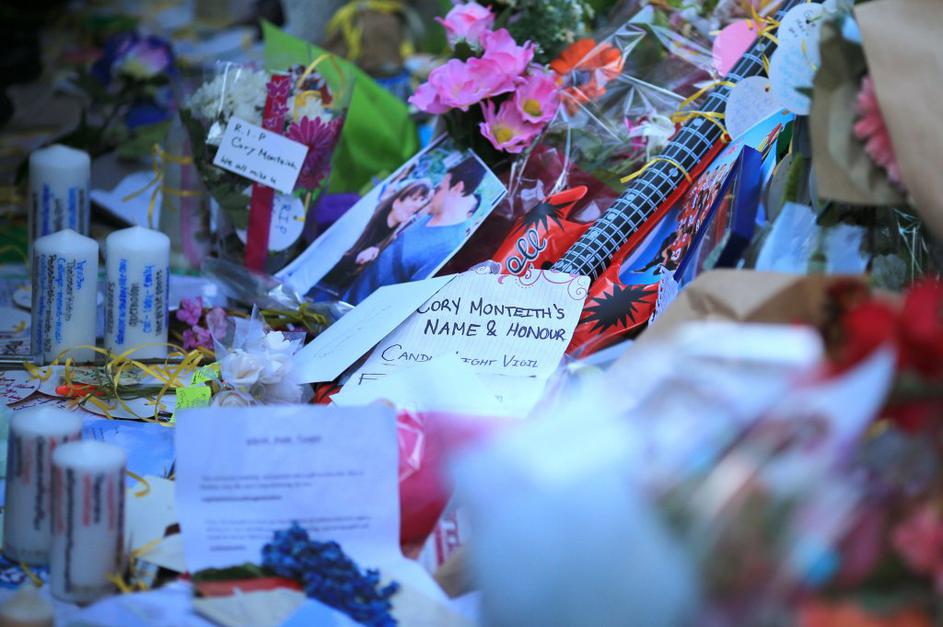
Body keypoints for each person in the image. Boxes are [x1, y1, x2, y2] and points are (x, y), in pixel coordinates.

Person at [341, 157, 486, 304]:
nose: (433, 194)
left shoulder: (449, 247)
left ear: (457, 188)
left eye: (439, 189)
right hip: (348, 296)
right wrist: (378, 249)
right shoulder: (426, 218)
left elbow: (408, 300)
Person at [321, 181, 431, 292]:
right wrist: (358, 257)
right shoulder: (368, 219)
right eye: (414, 199)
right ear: (396, 202)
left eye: (421, 201)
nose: (417, 205)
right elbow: (335, 253)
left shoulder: (393, 237)